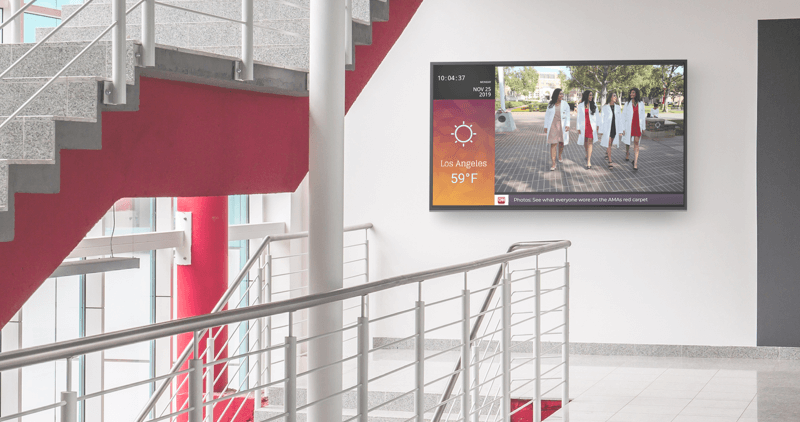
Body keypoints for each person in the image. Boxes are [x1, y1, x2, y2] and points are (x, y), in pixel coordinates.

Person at [543, 88, 571, 171]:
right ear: (556, 95)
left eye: (562, 94)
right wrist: (545, 126)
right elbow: (547, 115)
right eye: (560, 94)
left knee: (561, 143)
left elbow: (568, 115)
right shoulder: (550, 104)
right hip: (552, 126)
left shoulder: (565, 104)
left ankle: (559, 155)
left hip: (562, 125)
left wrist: (568, 125)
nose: (562, 95)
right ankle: (553, 163)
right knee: (553, 144)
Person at [621, 87, 645, 170]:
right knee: (627, 141)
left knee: (636, 143)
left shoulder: (641, 103)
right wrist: (623, 128)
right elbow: (623, 116)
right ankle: (627, 153)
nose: (631, 94)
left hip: (637, 126)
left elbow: (643, 116)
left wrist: (643, 127)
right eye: (630, 92)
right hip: (629, 125)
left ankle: (635, 163)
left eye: (633, 92)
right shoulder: (627, 104)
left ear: (636, 94)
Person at [576, 90, 599, 169]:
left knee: (590, 142)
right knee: (585, 142)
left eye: (592, 95)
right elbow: (578, 117)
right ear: (586, 96)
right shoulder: (580, 105)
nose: (591, 96)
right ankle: (587, 153)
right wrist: (578, 127)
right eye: (590, 95)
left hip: (591, 126)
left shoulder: (594, 104)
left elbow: (597, 116)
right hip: (583, 126)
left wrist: (598, 125)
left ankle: (589, 161)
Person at [599, 92, 621, 169]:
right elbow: (602, 118)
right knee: (608, 143)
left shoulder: (618, 107)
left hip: (614, 127)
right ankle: (610, 161)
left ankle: (607, 152)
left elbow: (620, 119)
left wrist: (621, 130)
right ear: (610, 97)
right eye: (614, 96)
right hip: (607, 128)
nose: (616, 97)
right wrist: (601, 130)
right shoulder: (605, 107)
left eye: (616, 96)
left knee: (610, 143)